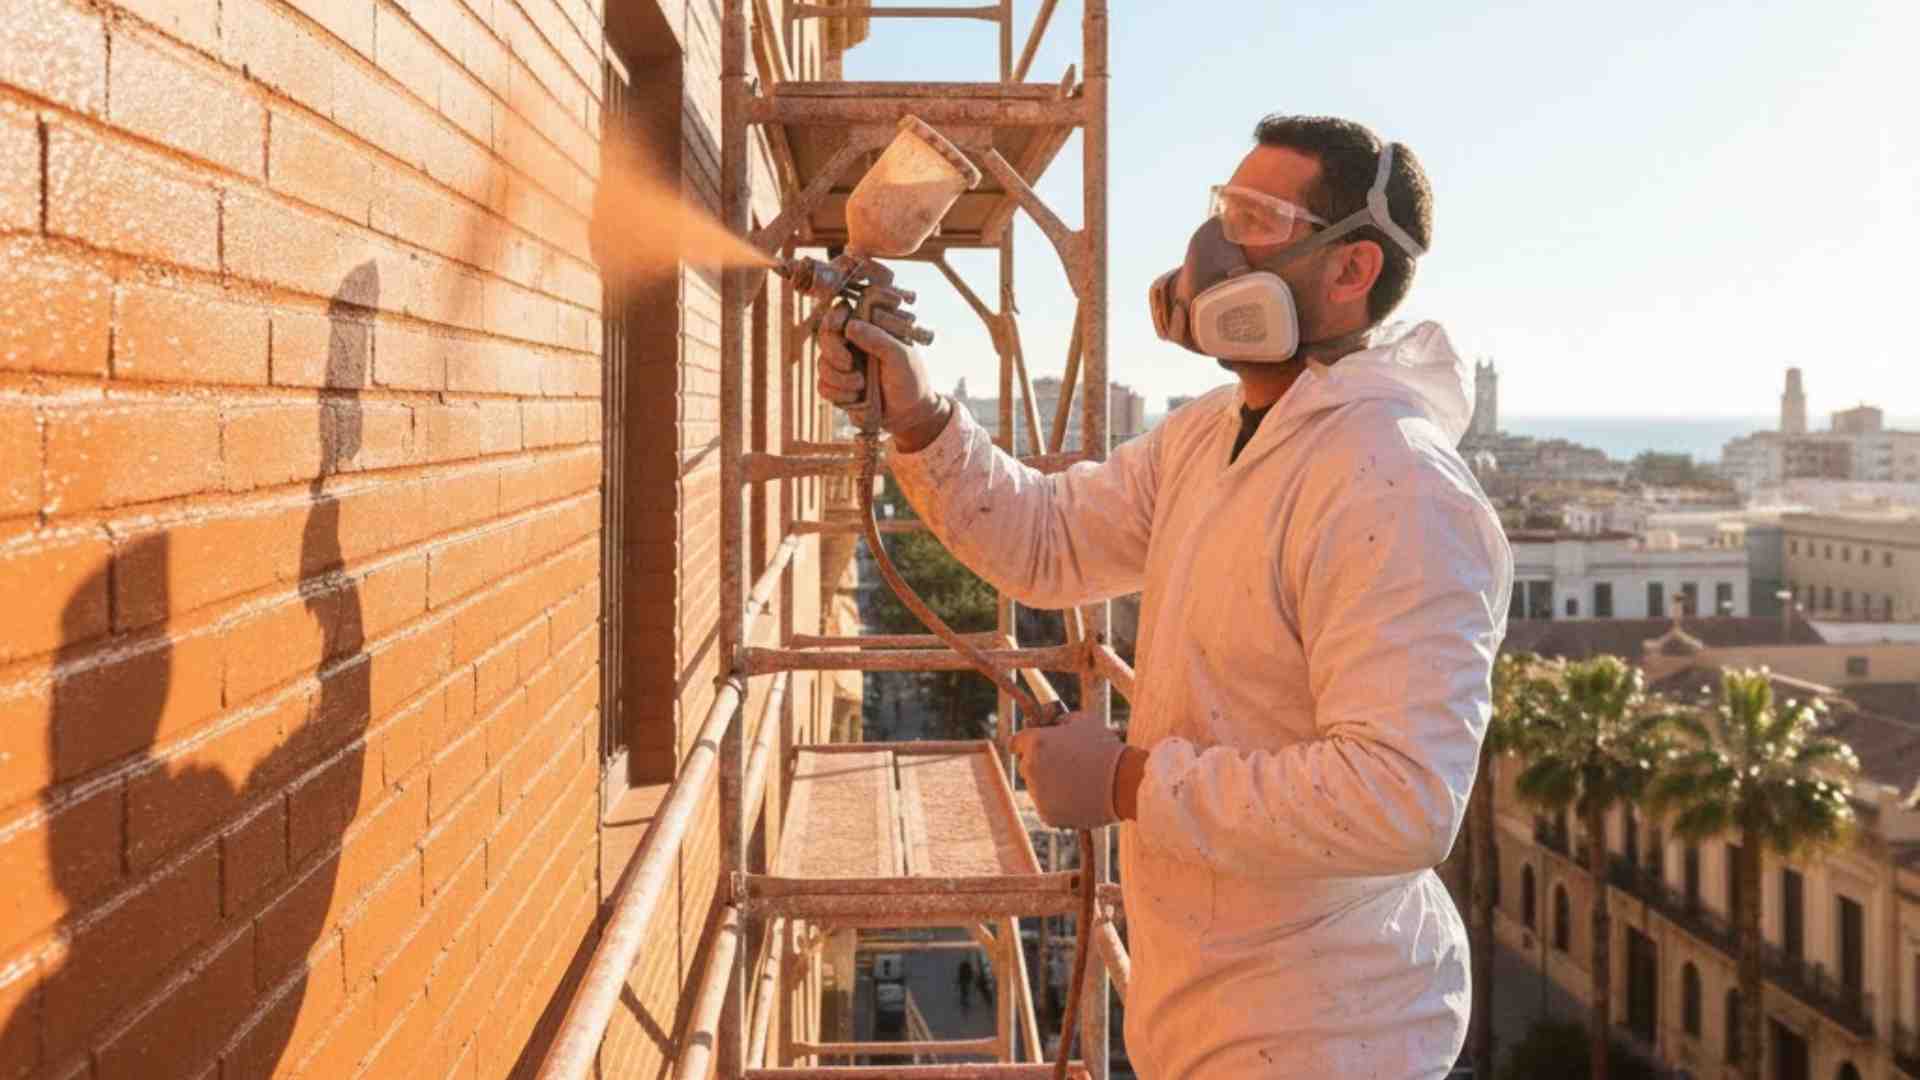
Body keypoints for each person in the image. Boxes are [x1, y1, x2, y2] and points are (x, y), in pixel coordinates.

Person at [816, 115, 1513, 1078]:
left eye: (1258, 219)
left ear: (1351, 271)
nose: (1212, 251)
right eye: (1222, 210)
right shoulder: (1210, 435)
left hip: (1329, 1031)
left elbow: (1400, 801)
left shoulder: (1395, 482)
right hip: (1203, 1004)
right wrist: (919, 413)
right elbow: (1048, 541)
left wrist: (1128, 782)